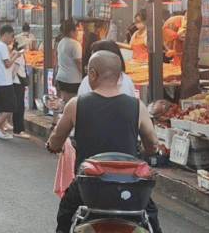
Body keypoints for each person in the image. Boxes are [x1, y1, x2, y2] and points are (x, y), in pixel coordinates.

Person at [47, 51, 160, 233]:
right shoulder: (136, 106)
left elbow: (55, 140)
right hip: (129, 186)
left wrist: (52, 147)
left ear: (92, 74)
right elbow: (153, 144)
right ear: (120, 76)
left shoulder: (76, 104)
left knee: (65, 214)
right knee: (151, 217)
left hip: (89, 186)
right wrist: (144, 151)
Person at [0, 25, 18, 140]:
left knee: (1, 107)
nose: (11, 40)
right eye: (11, 36)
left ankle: (1, 131)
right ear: (5, 34)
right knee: (11, 106)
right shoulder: (3, 46)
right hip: (4, 81)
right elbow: (7, 64)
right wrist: (16, 56)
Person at [54, 19, 84, 114]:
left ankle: (65, 122)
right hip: (73, 79)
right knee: (74, 104)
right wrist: (84, 74)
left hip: (62, 77)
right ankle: (73, 124)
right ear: (71, 32)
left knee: (66, 103)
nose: (78, 33)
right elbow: (78, 62)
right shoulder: (75, 44)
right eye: (76, 31)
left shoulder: (61, 42)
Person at [10, 33, 30, 138]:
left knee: (19, 106)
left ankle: (18, 128)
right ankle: (18, 129)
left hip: (17, 82)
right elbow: (14, 69)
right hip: (17, 82)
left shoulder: (17, 54)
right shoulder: (18, 55)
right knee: (19, 106)